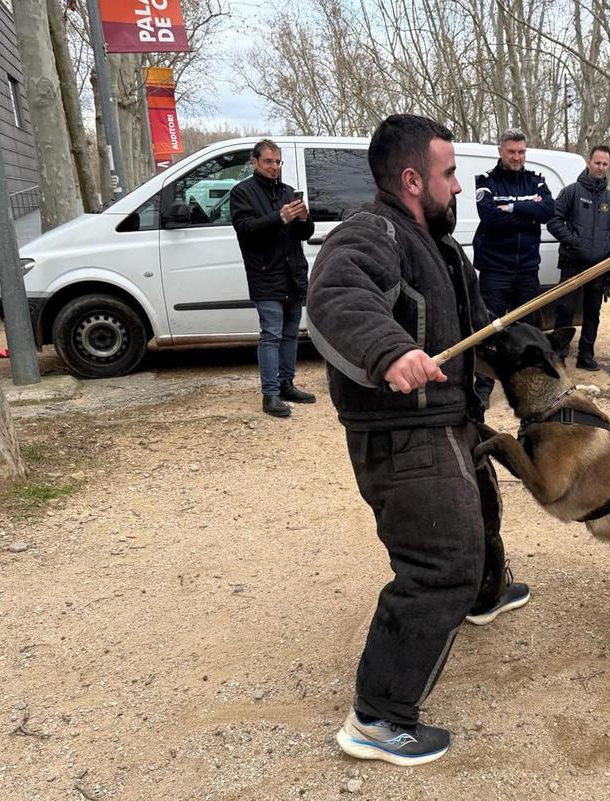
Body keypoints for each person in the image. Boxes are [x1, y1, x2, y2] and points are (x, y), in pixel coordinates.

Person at [307, 115, 530, 766]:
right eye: (449, 173)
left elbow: (477, 322)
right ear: (412, 179)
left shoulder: (437, 243)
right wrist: (388, 350)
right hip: (401, 436)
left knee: (482, 504)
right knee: (439, 564)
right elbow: (336, 296)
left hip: (449, 416)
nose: (460, 186)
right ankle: (378, 716)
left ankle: (484, 594)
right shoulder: (368, 233)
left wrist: (522, 354)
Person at [230, 138, 317, 418]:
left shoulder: (287, 191)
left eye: (277, 162)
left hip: (292, 273)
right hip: (265, 274)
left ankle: (286, 384)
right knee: (271, 334)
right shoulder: (241, 192)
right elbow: (246, 229)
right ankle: (270, 395)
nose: (274, 167)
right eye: (268, 161)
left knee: (291, 333)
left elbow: (304, 234)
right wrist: (279, 217)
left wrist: (303, 218)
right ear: (254, 162)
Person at [472, 128, 555, 401]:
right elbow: (490, 218)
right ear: (500, 151)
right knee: (488, 329)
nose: (517, 157)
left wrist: (511, 207)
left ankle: (528, 383)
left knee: (528, 329)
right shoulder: (486, 181)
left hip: (527, 271)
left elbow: (547, 212)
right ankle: (483, 387)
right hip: (495, 270)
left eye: (521, 152)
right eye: (511, 152)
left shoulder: (536, 180)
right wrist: (528, 209)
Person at [547, 144, 610, 371]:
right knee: (565, 311)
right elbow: (553, 220)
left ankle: (586, 355)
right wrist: (574, 241)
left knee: (593, 313)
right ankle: (559, 356)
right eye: (597, 162)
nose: (600, 167)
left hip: (599, 267)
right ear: (589, 162)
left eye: (604, 164)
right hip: (573, 263)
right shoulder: (571, 192)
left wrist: (608, 246)